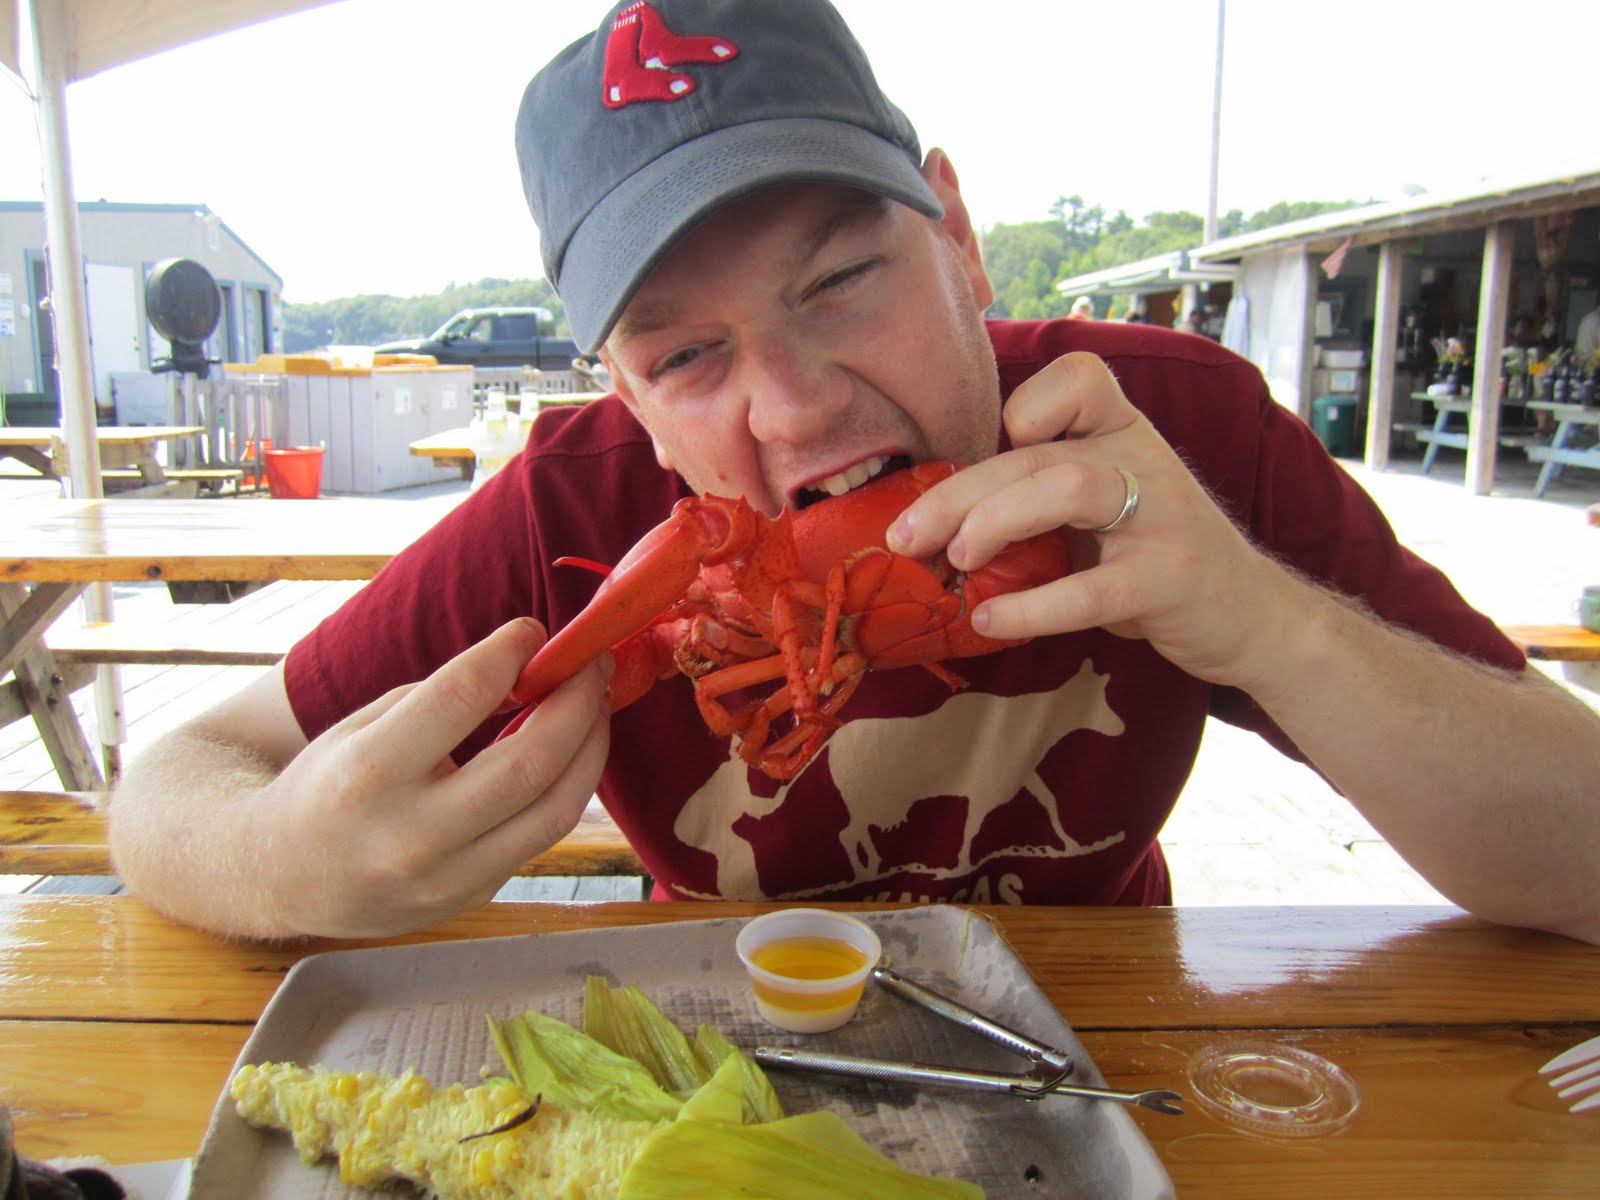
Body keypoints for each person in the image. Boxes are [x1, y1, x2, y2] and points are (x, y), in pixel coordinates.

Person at [108, 0, 1600, 945]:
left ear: (954, 229)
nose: (795, 405)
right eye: (686, 358)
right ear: (616, 389)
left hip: (1105, 1054)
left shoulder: (1165, 436)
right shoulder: (581, 512)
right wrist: (283, 864)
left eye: (836, 283)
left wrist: (1277, 624)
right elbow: (176, 778)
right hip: (726, 1046)